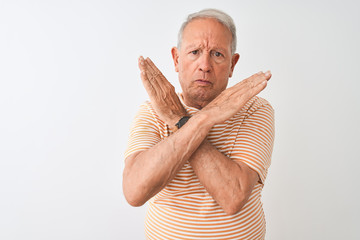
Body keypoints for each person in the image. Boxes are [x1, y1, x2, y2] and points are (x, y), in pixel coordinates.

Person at [123, 8, 274, 240]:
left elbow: (233, 196)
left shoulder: (256, 110)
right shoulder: (153, 110)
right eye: (194, 52)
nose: (205, 65)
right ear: (176, 59)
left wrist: (179, 120)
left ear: (233, 64)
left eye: (217, 54)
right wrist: (198, 120)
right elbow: (134, 191)